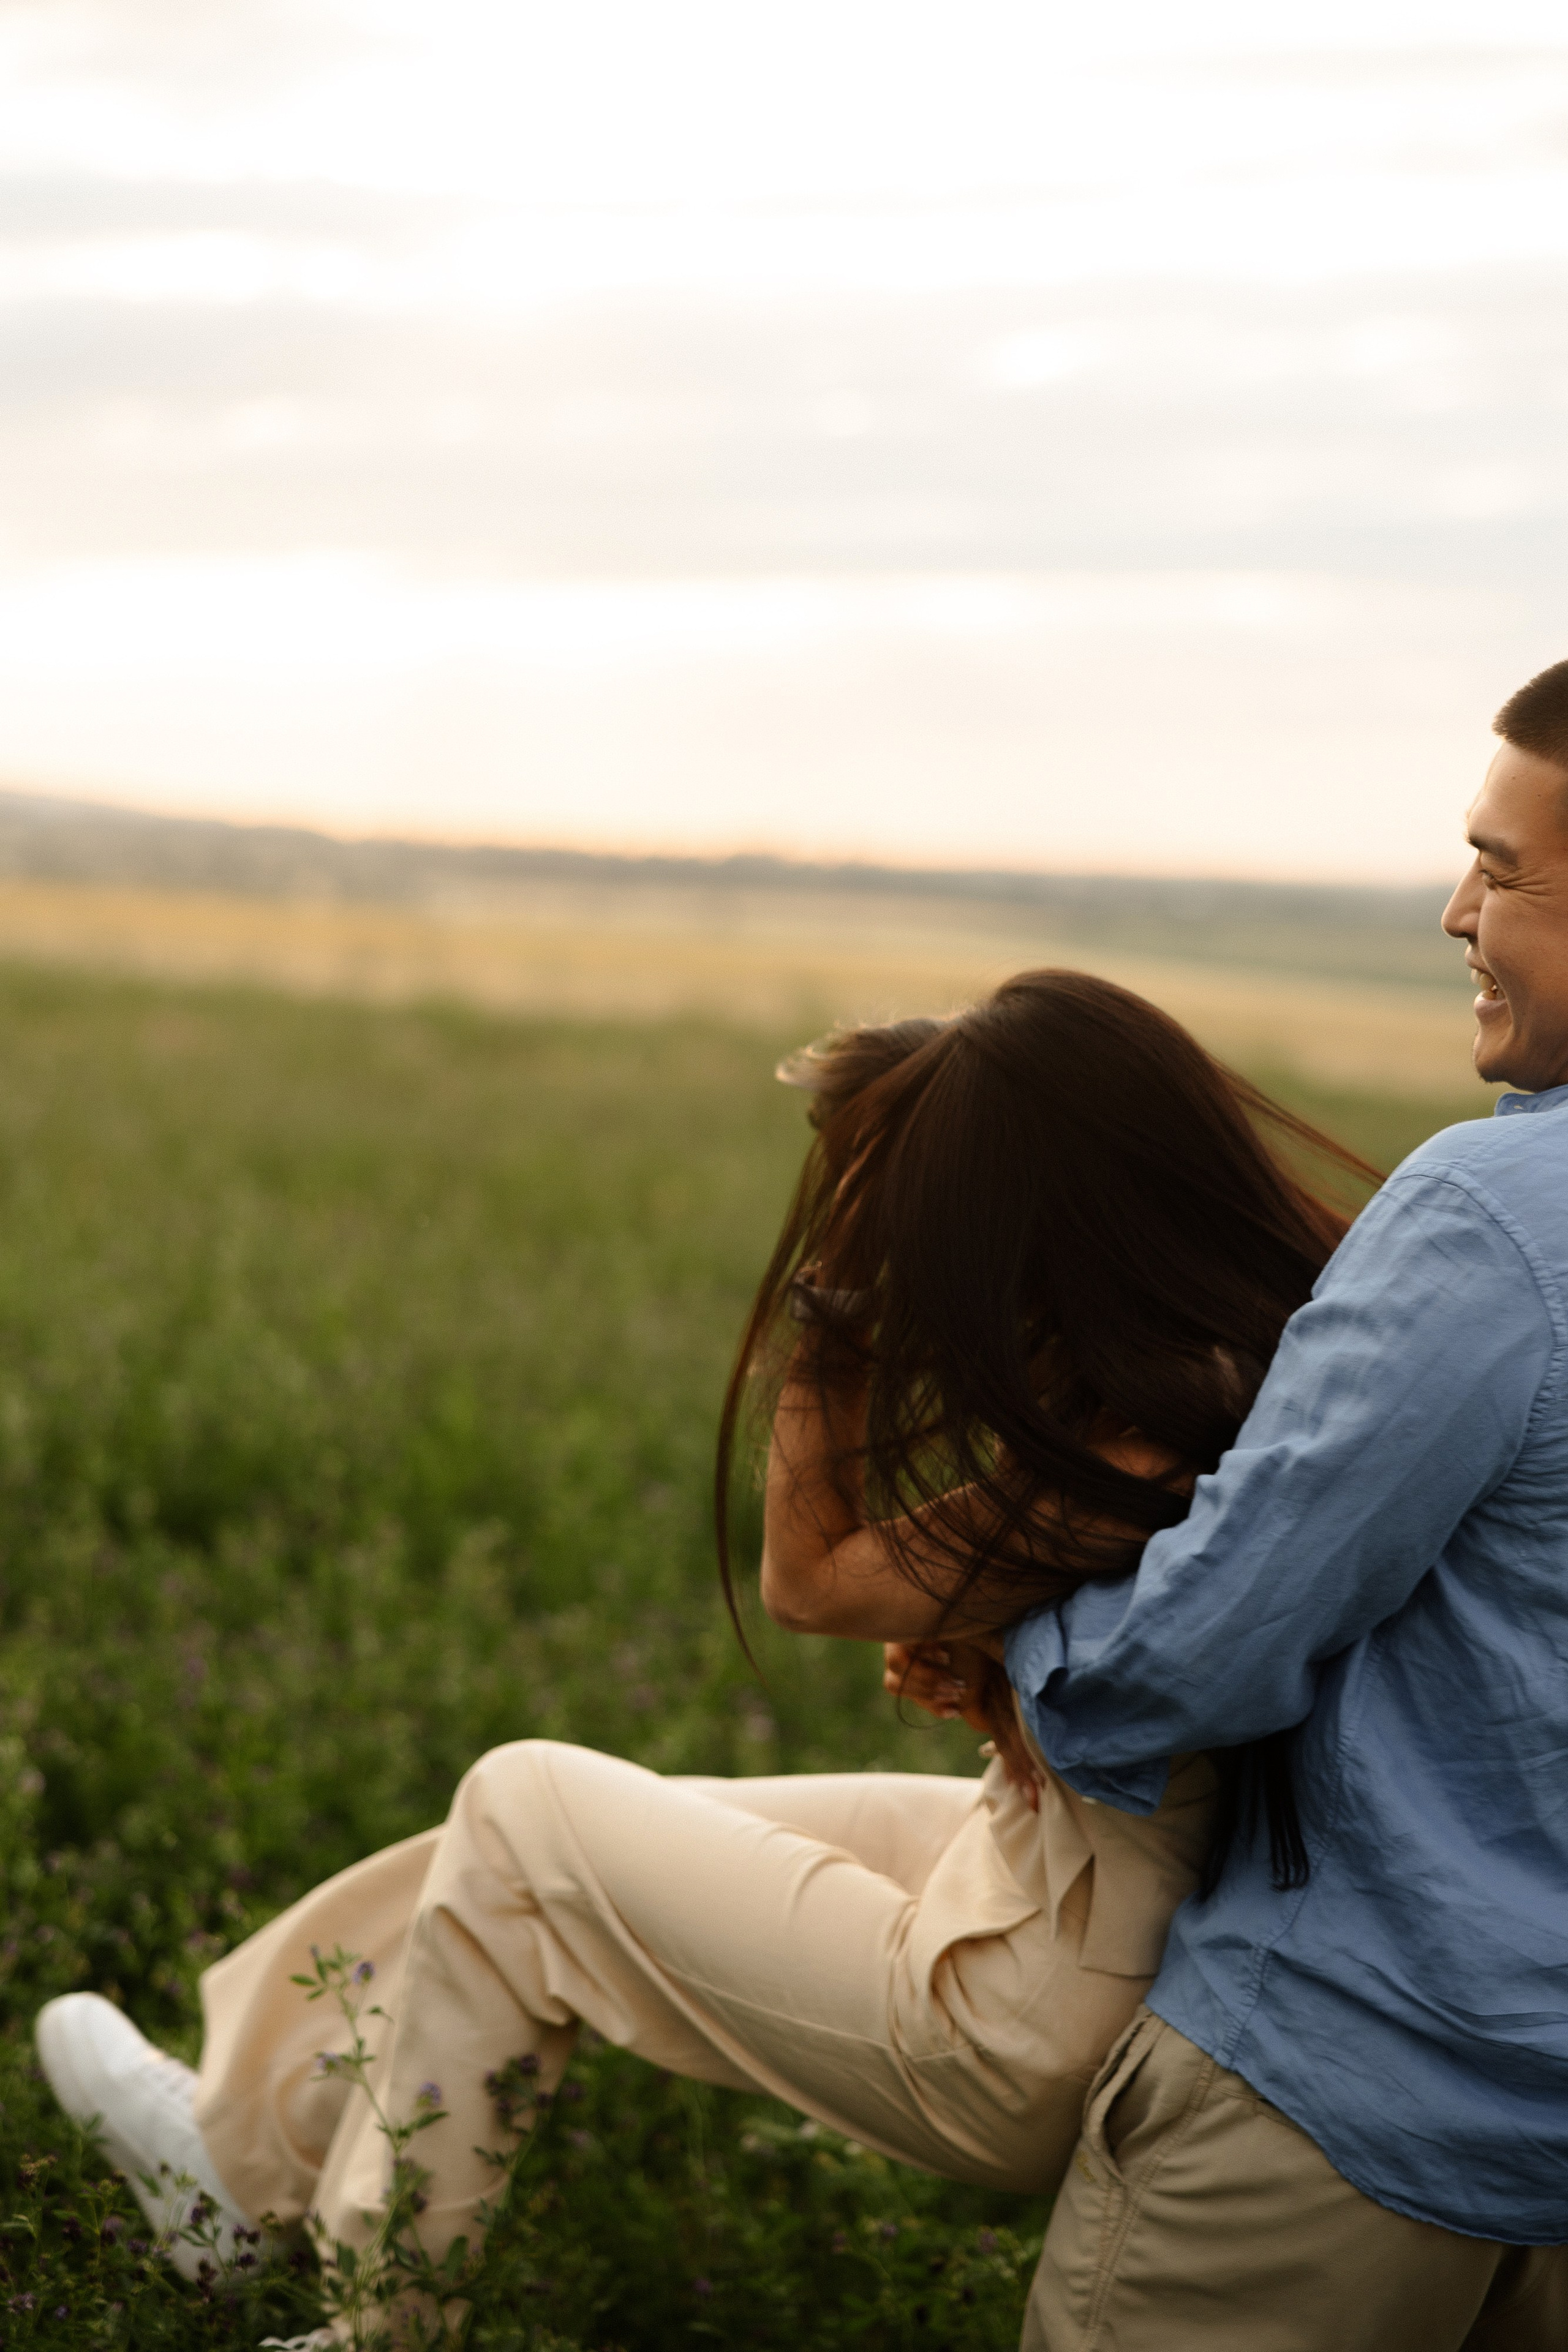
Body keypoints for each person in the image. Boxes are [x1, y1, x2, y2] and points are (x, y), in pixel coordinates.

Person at [33, 969, 1364, 2334]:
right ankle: (237, 2165)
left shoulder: (1145, 1432)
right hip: (1068, 1877)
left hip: (1027, 2006)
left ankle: (380, 2317)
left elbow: (807, 1580)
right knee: (501, 1861)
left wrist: (837, 1300)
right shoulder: (1249, 1361)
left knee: (521, 1806)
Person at [1000, 663, 1568, 2352]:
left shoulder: (1493, 1216)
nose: (1456, 911)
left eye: (1506, 869)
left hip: (1345, 2113)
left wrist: (1021, 1616)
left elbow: (1200, 1655)